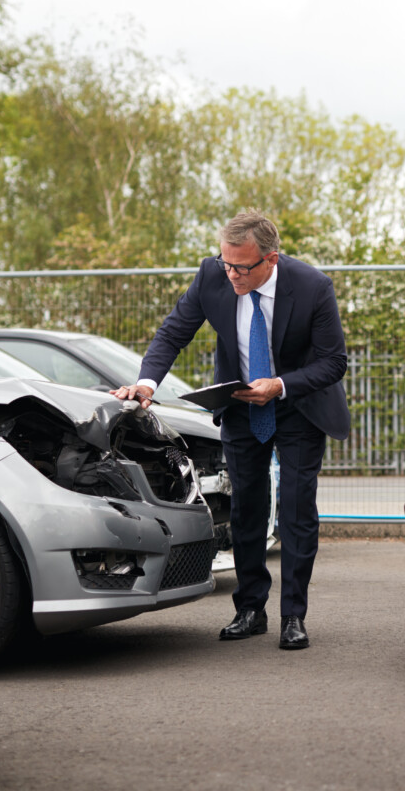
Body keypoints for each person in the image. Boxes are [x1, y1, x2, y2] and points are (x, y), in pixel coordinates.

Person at [112, 210, 350, 650]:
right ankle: (250, 609)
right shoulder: (212, 274)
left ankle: (293, 616)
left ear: (271, 259)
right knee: (246, 509)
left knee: (296, 511)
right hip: (240, 406)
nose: (232, 275)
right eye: (227, 264)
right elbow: (173, 333)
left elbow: (334, 362)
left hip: (298, 407)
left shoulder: (313, 286)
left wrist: (279, 385)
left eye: (242, 267)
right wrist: (146, 384)